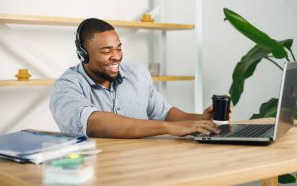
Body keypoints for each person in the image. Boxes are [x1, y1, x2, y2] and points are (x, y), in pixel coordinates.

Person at [50, 18, 232, 138]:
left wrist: (202, 120)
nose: (116, 56)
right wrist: (167, 128)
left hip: (144, 163)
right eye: (106, 51)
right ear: (83, 55)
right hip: (96, 172)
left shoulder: (137, 72)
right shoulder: (66, 86)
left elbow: (163, 113)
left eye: (118, 48)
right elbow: (94, 122)